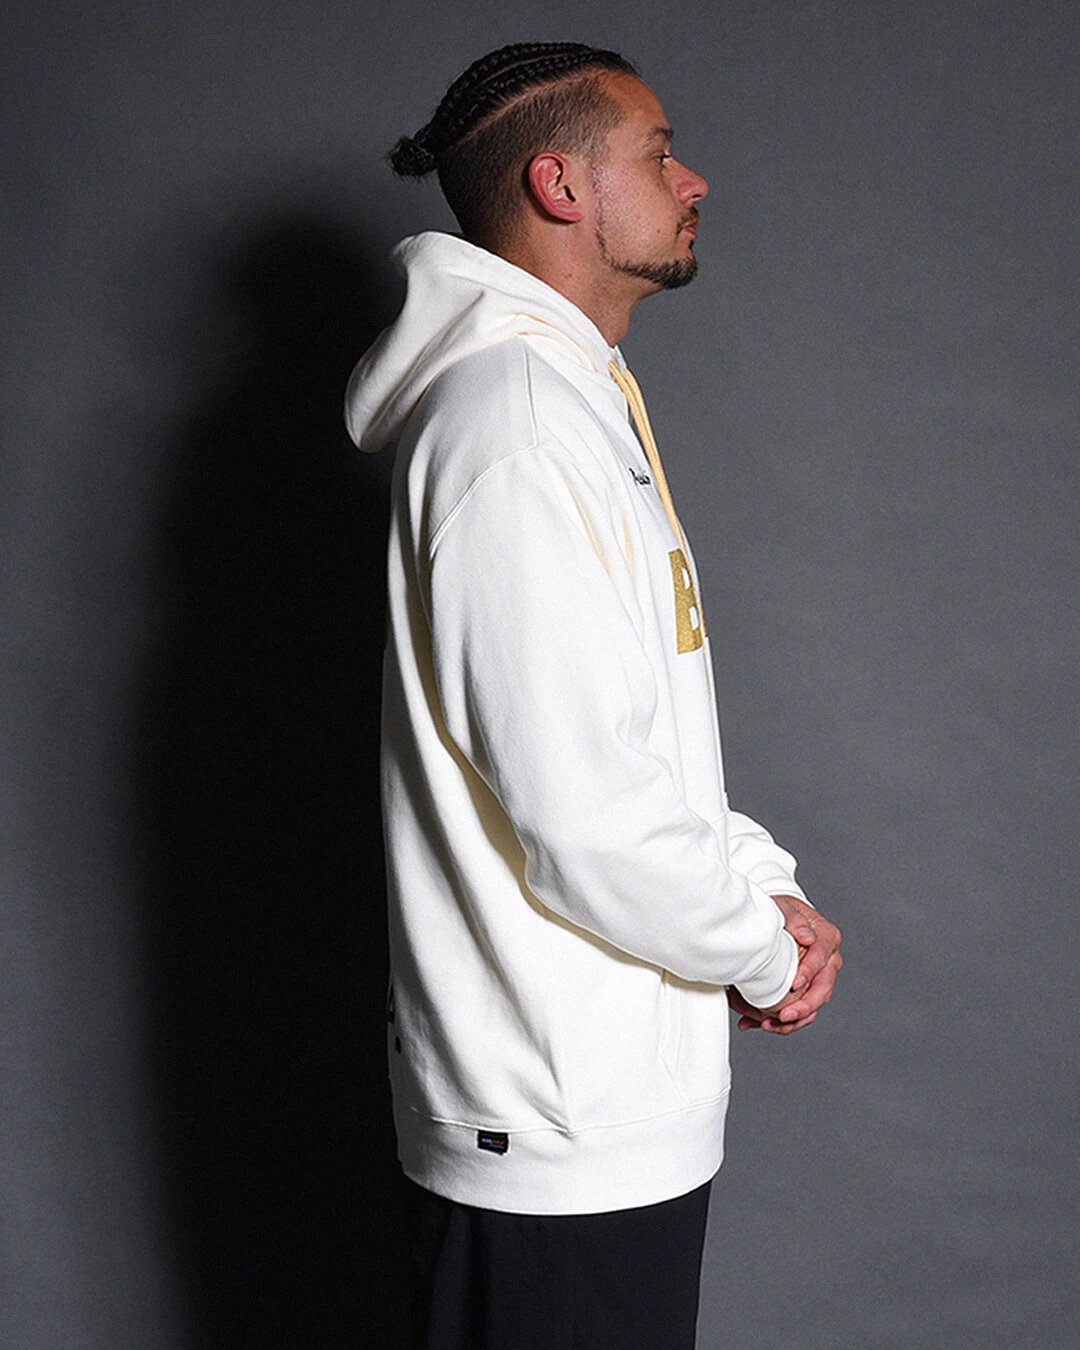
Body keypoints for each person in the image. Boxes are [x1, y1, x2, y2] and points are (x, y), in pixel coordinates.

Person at [344, 41, 842, 1350]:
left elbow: (632, 732)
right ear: (560, 185)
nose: (695, 180)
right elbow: (580, 816)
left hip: (606, 1114)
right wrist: (759, 946)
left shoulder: (573, 398)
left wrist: (761, 883)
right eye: (659, 153)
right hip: (555, 1133)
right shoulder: (512, 422)